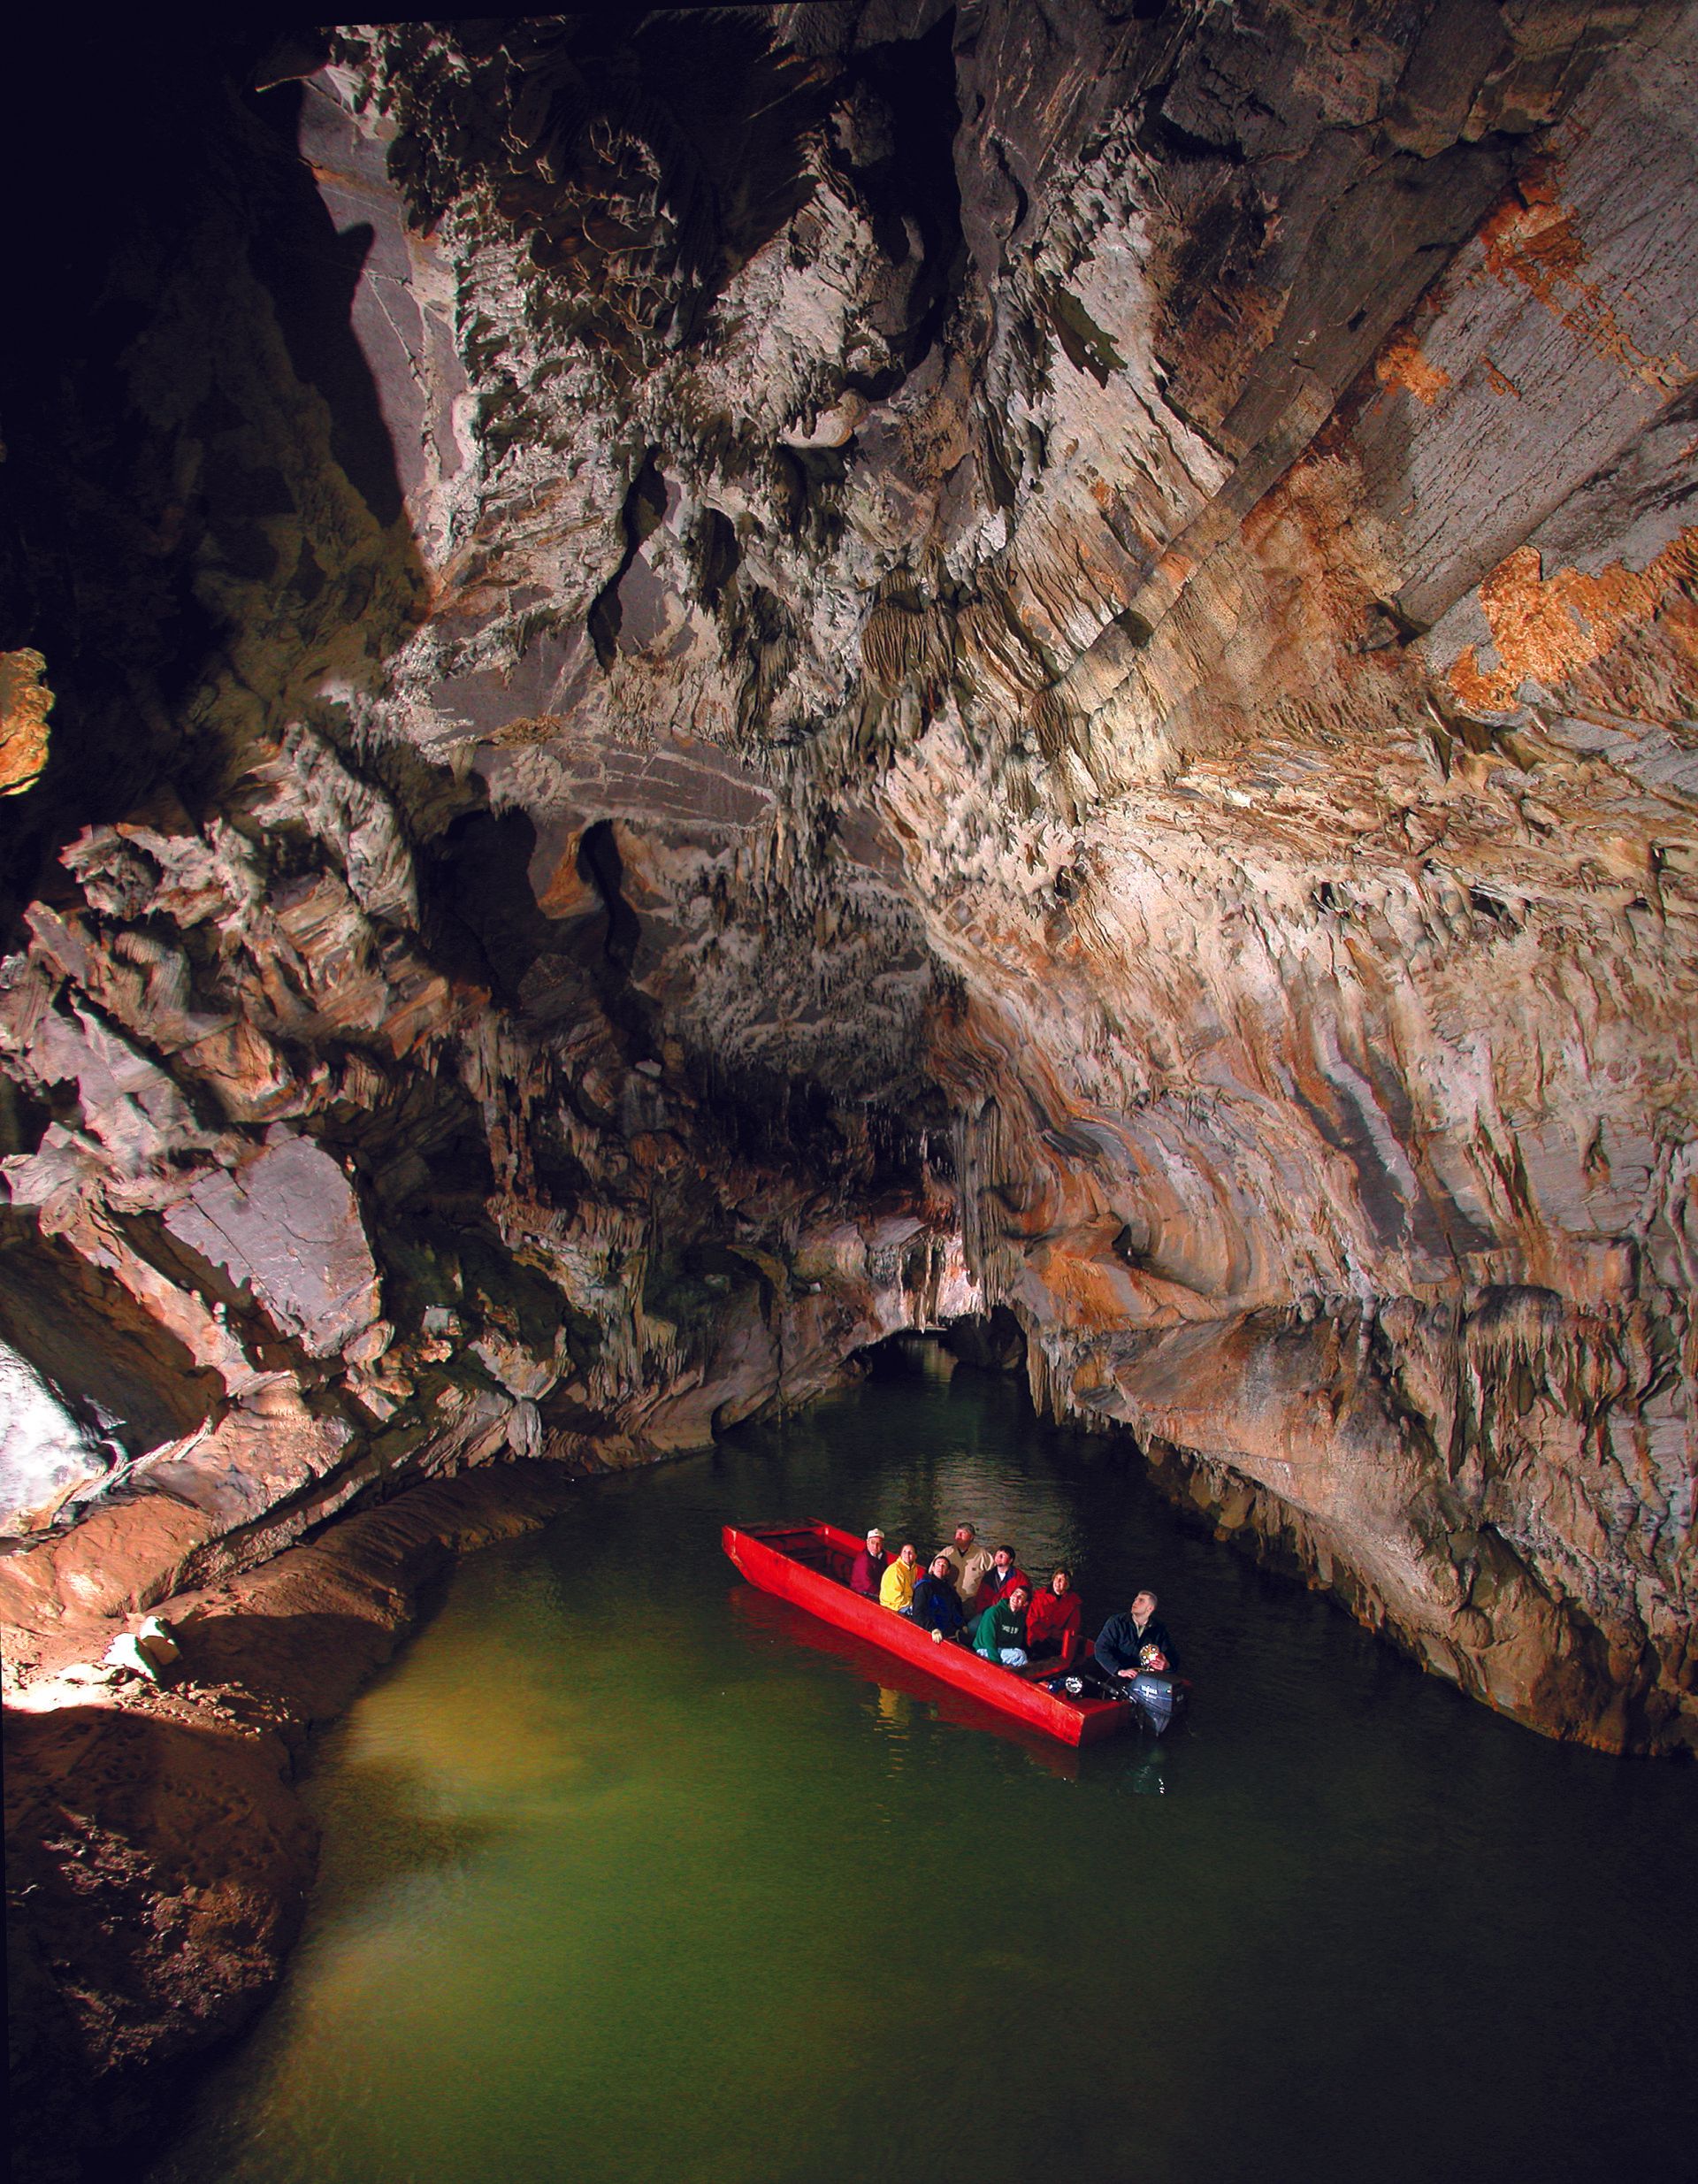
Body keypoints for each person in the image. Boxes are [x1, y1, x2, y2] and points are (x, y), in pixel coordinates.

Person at [1091, 1589, 1178, 1685]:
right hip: (1113, 1673)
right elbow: (1100, 1649)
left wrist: (1167, 1665)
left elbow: (1172, 1656)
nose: (1135, 1602)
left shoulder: (1158, 1629)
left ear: (1150, 1608)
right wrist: (1119, 1670)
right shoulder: (1117, 1622)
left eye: (1141, 1601)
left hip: (1140, 1678)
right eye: (1135, 1599)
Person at [1026, 1567, 1082, 1668]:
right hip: (1038, 1637)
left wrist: (1065, 1645)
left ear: (1067, 1585)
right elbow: (1031, 1620)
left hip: (1057, 1639)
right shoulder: (1040, 1596)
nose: (1057, 1583)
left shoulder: (1073, 1602)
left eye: (1061, 1580)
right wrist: (1044, 1637)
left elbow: (1073, 1627)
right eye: (1056, 1579)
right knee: (1045, 1653)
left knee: (1066, 1656)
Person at [910, 1553, 968, 1643]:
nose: (940, 1567)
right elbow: (918, 1613)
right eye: (938, 1564)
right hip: (933, 1631)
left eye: (944, 1566)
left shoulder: (949, 1591)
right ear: (932, 1568)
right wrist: (932, 1629)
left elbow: (954, 1610)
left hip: (949, 1631)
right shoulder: (924, 1586)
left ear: (948, 1571)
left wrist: (962, 1625)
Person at [973, 1582, 1032, 1667]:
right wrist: (997, 1663)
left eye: (1021, 1596)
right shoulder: (994, 1612)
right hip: (986, 1650)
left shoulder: (1021, 1618)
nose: (1016, 1597)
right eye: (1015, 1594)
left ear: (1025, 1603)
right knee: (1020, 1656)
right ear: (1011, 1596)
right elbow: (988, 1640)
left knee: (1020, 1655)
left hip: (1004, 1651)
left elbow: (1016, 1642)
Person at [937, 1523, 997, 1606]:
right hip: (948, 1598)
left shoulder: (982, 1555)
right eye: (957, 1533)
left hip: (971, 1601)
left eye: (963, 1533)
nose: (959, 1536)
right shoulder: (947, 1552)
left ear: (971, 1537)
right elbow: (932, 1571)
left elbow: (994, 1575)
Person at [977, 1544, 1033, 1608]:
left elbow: (1025, 1601)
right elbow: (980, 1597)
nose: (998, 1557)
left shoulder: (1020, 1578)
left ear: (1010, 1560)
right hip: (988, 1612)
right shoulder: (988, 1576)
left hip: (1009, 1614)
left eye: (1002, 1556)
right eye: (997, 1554)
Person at [879, 1541, 922, 1614]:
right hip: (894, 1606)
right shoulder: (895, 1570)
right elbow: (895, 1598)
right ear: (901, 1554)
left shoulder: (913, 1568)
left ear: (915, 1556)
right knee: (919, 1616)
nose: (907, 1555)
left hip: (906, 1601)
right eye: (904, 1552)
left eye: (910, 1552)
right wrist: (911, 1605)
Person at [850, 1528, 888, 1598]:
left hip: (878, 1587)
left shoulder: (883, 1555)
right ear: (867, 1542)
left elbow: (886, 1573)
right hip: (862, 1592)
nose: (875, 1547)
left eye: (878, 1543)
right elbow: (868, 1585)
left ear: (882, 1544)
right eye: (872, 1543)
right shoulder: (864, 1560)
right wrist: (884, 1595)